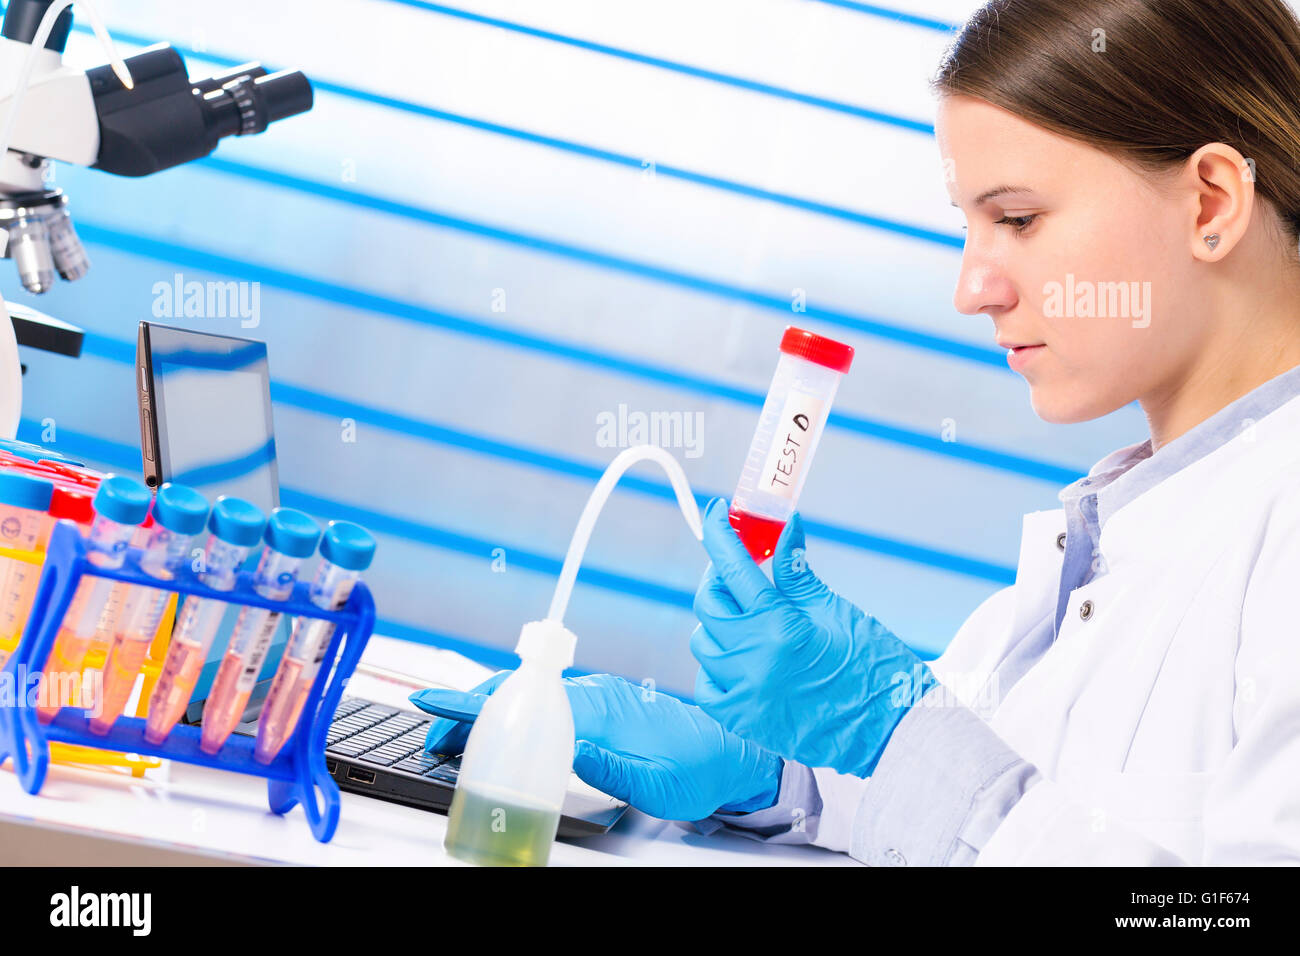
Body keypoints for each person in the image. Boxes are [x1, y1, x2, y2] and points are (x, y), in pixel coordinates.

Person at [411, 0, 1300, 865]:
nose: (973, 289)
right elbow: (1026, 799)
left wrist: (893, 726)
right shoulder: (1154, 507)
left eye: (1019, 219)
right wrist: (779, 781)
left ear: (1212, 203)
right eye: (970, 228)